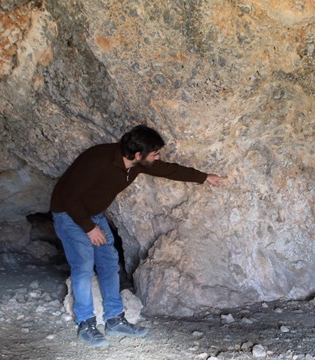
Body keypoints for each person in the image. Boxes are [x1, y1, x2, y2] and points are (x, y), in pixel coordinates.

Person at [50, 125, 225, 347]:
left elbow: (169, 170)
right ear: (137, 154)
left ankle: (114, 319)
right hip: (69, 214)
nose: (157, 157)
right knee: (84, 266)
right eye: (155, 153)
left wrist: (206, 177)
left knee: (109, 264)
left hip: (93, 214)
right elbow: (69, 198)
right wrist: (88, 227)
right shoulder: (97, 160)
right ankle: (86, 323)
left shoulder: (136, 165)